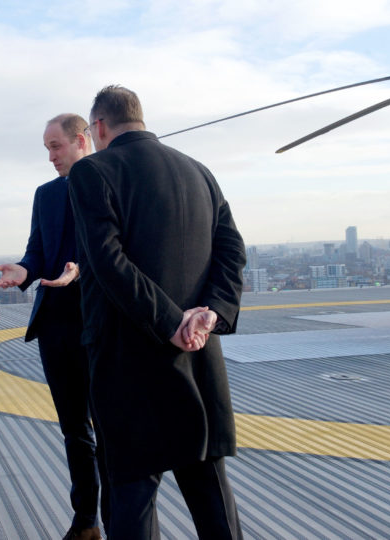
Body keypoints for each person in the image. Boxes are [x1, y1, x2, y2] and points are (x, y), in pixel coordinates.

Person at [67, 85, 247, 539]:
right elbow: (232, 250)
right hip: (198, 358)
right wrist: (209, 314)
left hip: (130, 363)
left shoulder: (92, 172)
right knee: (210, 492)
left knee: (132, 499)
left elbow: (107, 262)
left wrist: (170, 323)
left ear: (99, 127)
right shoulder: (198, 171)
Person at [0, 113, 104, 540]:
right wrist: (23, 270)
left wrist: (82, 271)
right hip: (57, 325)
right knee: (75, 429)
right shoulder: (46, 195)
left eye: (56, 147)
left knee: (108, 429)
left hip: (100, 321)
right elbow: (37, 251)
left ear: (81, 141)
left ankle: (117, 517)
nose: (51, 157)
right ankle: (86, 520)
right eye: (47, 149)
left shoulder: (111, 183)